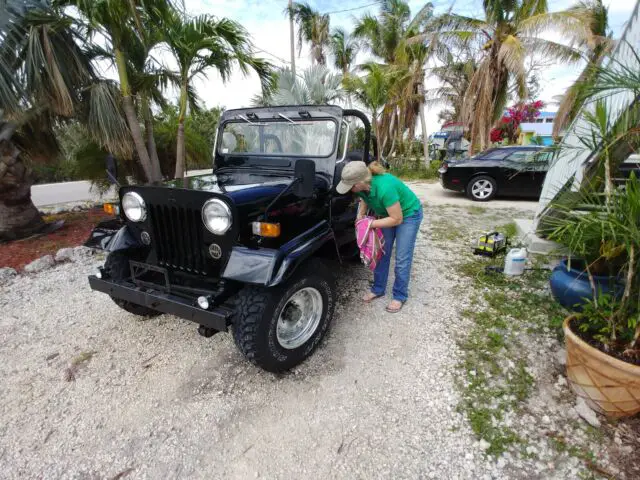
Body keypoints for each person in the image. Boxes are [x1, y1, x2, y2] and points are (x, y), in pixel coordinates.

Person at [336, 161, 423, 313]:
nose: (350, 191)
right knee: (381, 251)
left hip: (408, 215)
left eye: (351, 187)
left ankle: (400, 295)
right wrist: (361, 214)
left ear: (359, 182)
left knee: (402, 257)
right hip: (386, 214)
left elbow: (397, 219)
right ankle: (378, 288)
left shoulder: (384, 188)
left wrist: (370, 224)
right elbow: (364, 198)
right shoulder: (362, 187)